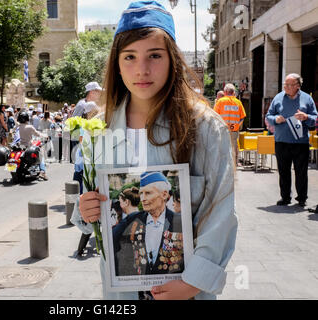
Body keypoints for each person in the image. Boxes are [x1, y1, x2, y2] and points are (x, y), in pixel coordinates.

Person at [71, 1, 237, 300]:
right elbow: (93, 205)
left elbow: (220, 210)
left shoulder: (205, 128)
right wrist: (86, 209)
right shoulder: (99, 130)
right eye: (130, 57)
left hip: (186, 292)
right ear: (117, 63)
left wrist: (194, 281)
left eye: (155, 56)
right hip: (120, 294)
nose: (142, 69)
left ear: (173, 58)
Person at [113, 172, 181, 278]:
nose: (142, 199)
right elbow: (111, 244)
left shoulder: (178, 222)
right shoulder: (132, 220)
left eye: (148, 193)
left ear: (164, 194)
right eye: (141, 193)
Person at [265, 73, 317, 207]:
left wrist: (306, 117)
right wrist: (275, 119)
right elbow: (269, 115)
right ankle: (285, 197)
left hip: (300, 143)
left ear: (297, 86)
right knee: (283, 171)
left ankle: (302, 198)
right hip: (282, 141)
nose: (286, 87)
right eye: (285, 84)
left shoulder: (307, 99)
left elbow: (314, 119)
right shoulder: (278, 98)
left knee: (301, 172)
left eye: (289, 85)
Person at [213, 83, 246, 166]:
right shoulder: (238, 102)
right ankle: (233, 165)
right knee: (233, 148)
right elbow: (242, 117)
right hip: (234, 130)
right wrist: (237, 125)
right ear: (233, 92)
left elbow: (214, 116)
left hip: (222, 130)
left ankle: (223, 165)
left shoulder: (220, 101)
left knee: (222, 148)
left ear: (226, 91)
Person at [17, 111, 48, 180]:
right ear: (27, 118)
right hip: (28, 146)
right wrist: (46, 136)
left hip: (20, 146)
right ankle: (42, 172)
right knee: (40, 156)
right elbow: (38, 134)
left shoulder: (18, 127)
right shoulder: (29, 127)